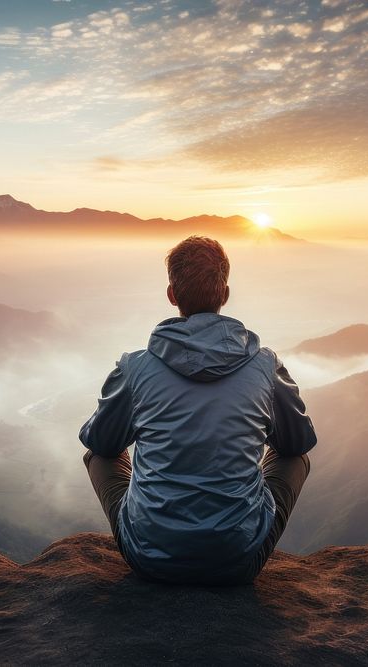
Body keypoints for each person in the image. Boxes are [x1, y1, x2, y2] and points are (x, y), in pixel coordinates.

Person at [79, 235, 317, 585]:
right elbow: (298, 443)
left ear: (172, 295)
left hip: (149, 559)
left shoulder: (135, 368)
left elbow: (100, 442)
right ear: (225, 293)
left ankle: (157, 526)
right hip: (237, 562)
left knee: (100, 455)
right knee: (295, 458)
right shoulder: (265, 366)